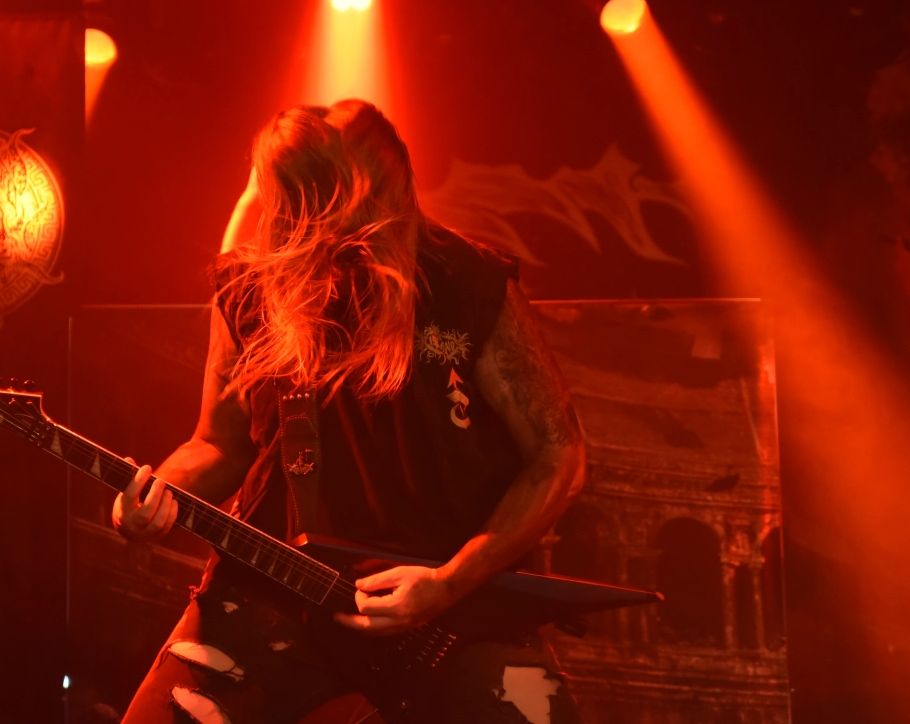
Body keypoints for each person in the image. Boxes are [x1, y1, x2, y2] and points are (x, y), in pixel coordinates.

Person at [115, 101, 587, 724]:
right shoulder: (250, 291)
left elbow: (558, 453)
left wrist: (449, 582)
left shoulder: (466, 282)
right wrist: (149, 498)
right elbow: (219, 443)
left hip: (447, 604)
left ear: (351, 192)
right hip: (272, 586)